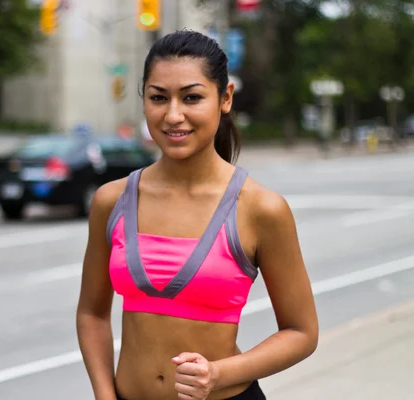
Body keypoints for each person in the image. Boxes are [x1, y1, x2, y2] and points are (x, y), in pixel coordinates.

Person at [76, 29, 318, 400]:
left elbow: (302, 333)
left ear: (225, 98)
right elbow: (92, 314)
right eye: (159, 98)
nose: (173, 115)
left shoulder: (260, 209)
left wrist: (219, 374)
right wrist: (105, 396)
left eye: (191, 97)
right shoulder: (112, 201)